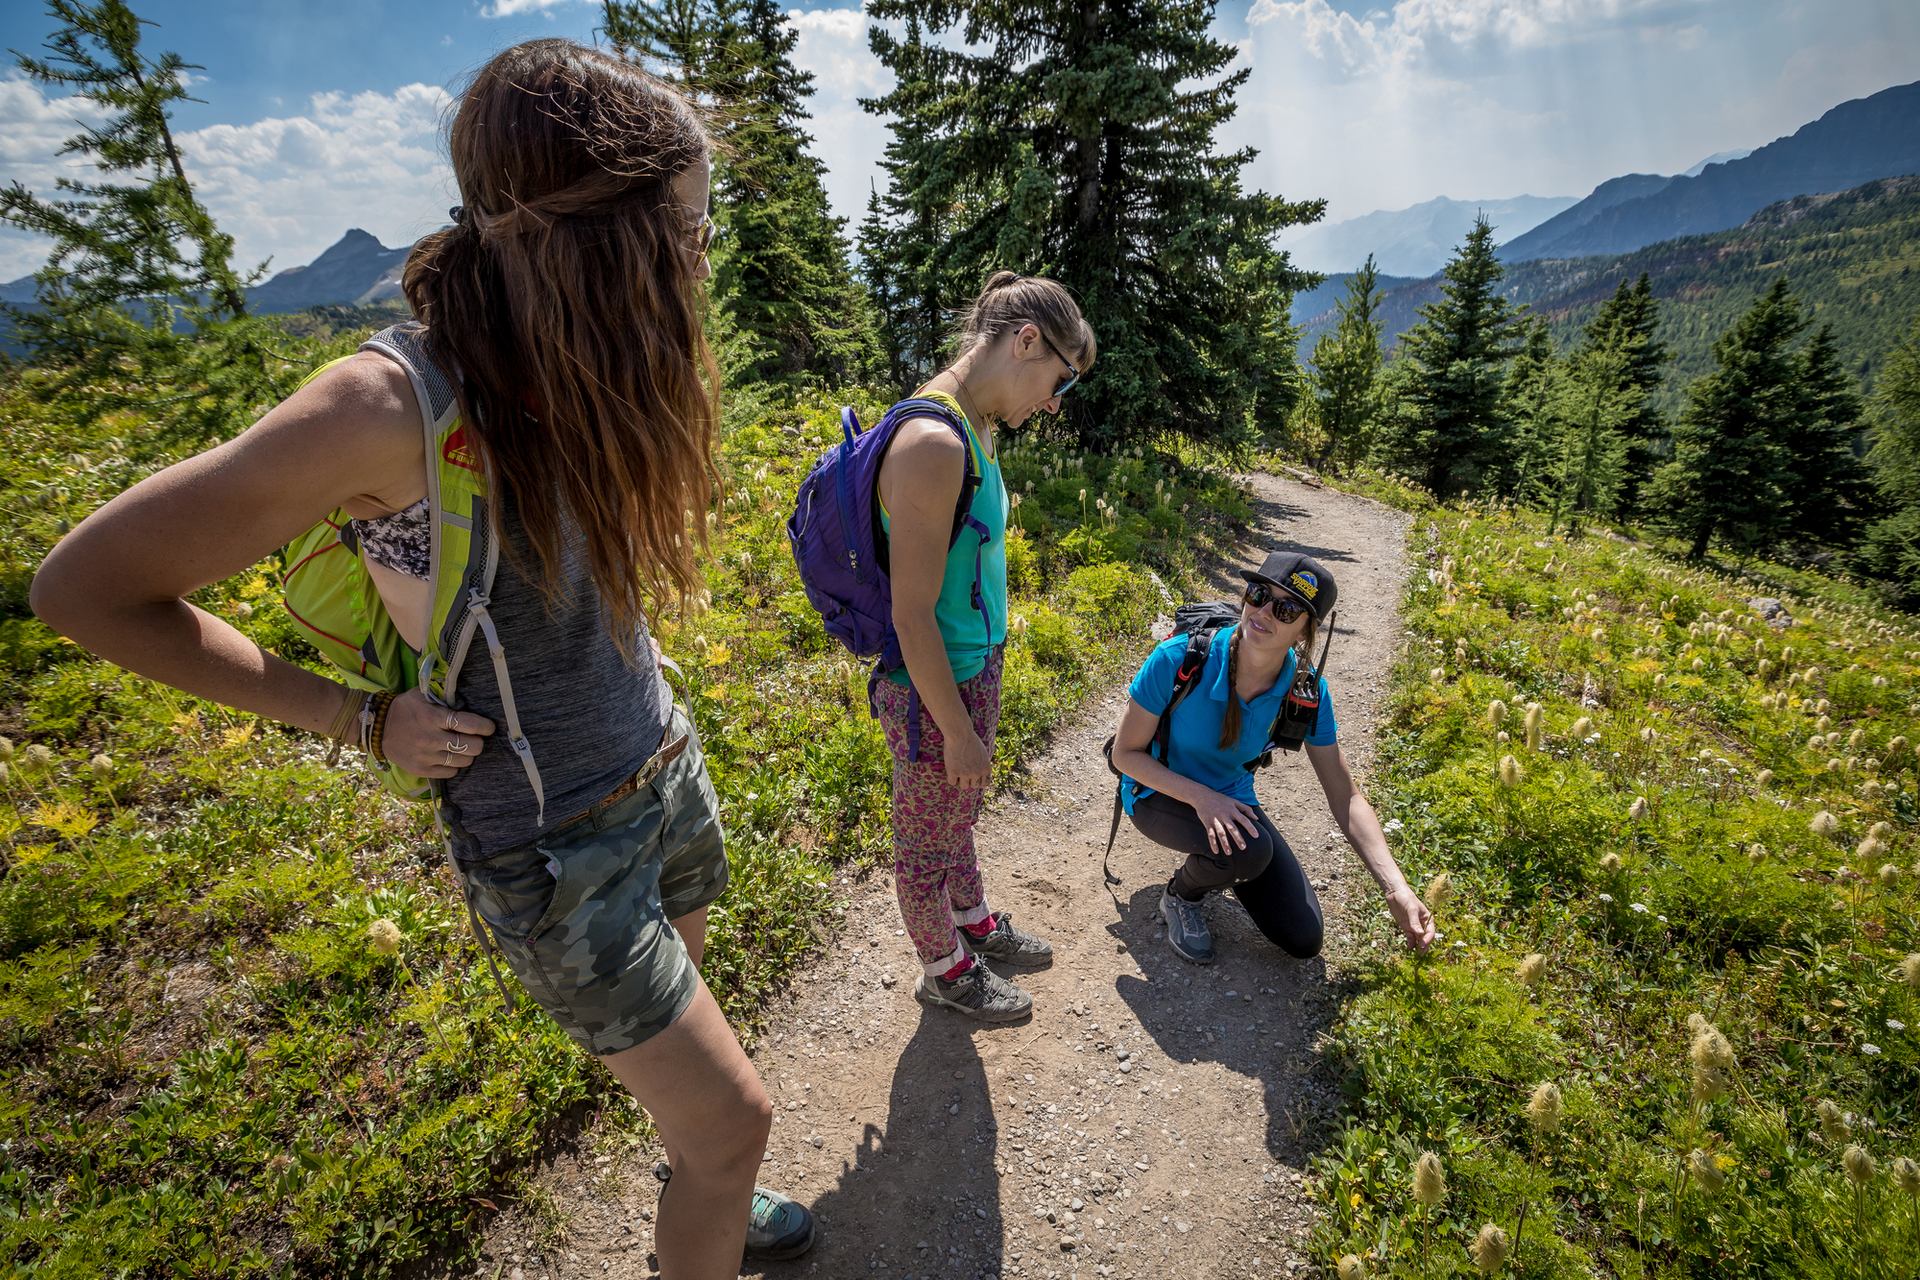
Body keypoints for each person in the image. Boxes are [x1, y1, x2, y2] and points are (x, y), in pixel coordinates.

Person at [30, 39, 812, 1276]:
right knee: (738, 1121)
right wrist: (356, 717)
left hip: (661, 771)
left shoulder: (582, 363)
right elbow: (86, 588)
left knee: (698, 1111)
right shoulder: (387, 406)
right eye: (686, 241)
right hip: (555, 847)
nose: (697, 271)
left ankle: (702, 1182)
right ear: (594, 244)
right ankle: (715, 1177)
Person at [874, 272, 1096, 1022]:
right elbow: (910, 616)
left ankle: (972, 923)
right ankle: (943, 968)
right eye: (1059, 377)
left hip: (975, 665)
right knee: (922, 835)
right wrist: (958, 729)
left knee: (956, 813)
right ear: (1026, 340)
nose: (1055, 399)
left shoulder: (978, 427)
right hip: (934, 681)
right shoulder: (933, 441)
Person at [1109, 551, 1435, 965]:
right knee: (1248, 852)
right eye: (1258, 593)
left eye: (1285, 609)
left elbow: (1345, 796)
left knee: (1302, 938)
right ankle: (1181, 895)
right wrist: (1203, 799)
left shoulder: (1306, 692)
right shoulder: (1180, 659)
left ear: (1304, 631)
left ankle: (1224, 860)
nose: (1263, 611)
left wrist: (1397, 888)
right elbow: (1125, 754)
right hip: (1155, 789)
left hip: (1230, 800)